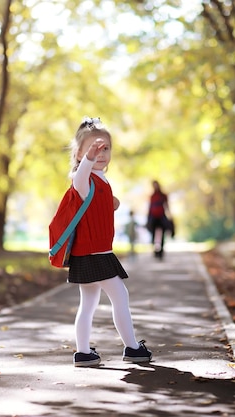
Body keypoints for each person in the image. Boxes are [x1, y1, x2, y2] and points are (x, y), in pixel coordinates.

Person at [65, 116, 151, 367]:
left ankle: (83, 353)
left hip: (94, 251)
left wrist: (112, 203)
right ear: (79, 153)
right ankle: (133, 348)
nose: (100, 153)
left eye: (105, 148)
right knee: (120, 296)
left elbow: (97, 206)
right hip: (95, 253)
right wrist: (88, 159)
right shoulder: (82, 179)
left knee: (89, 303)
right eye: (92, 149)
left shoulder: (100, 179)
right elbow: (80, 181)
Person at [147, 180, 173, 260]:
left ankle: (161, 250)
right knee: (153, 234)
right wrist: (148, 217)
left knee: (162, 234)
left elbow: (167, 206)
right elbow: (150, 207)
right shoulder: (152, 196)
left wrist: (169, 216)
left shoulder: (163, 195)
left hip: (161, 216)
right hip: (153, 217)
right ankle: (155, 250)